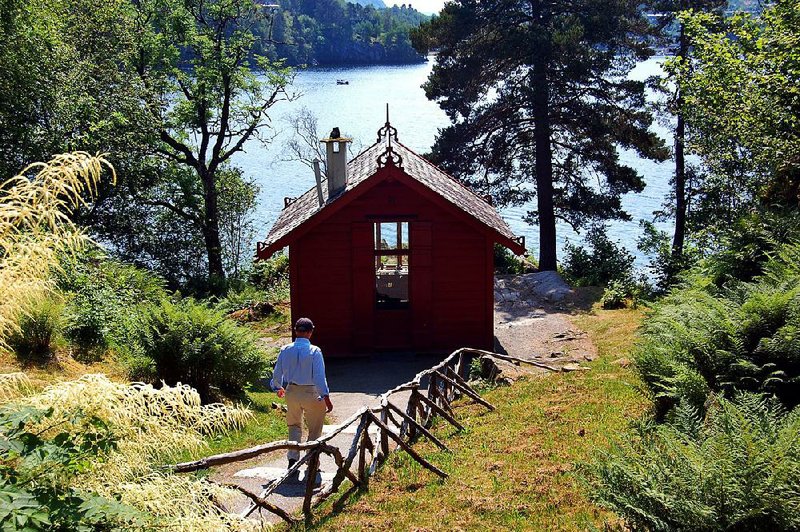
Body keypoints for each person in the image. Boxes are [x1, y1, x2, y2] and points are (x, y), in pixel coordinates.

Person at [270, 317, 333, 474]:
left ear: (296, 331)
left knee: (294, 425)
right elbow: (319, 376)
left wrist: (277, 387)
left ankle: (292, 458)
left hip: (291, 391)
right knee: (315, 428)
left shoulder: (285, 349)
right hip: (311, 392)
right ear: (310, 332)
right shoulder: (315, 351)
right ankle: (311, 460)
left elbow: (277, 372)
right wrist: (325, 395)